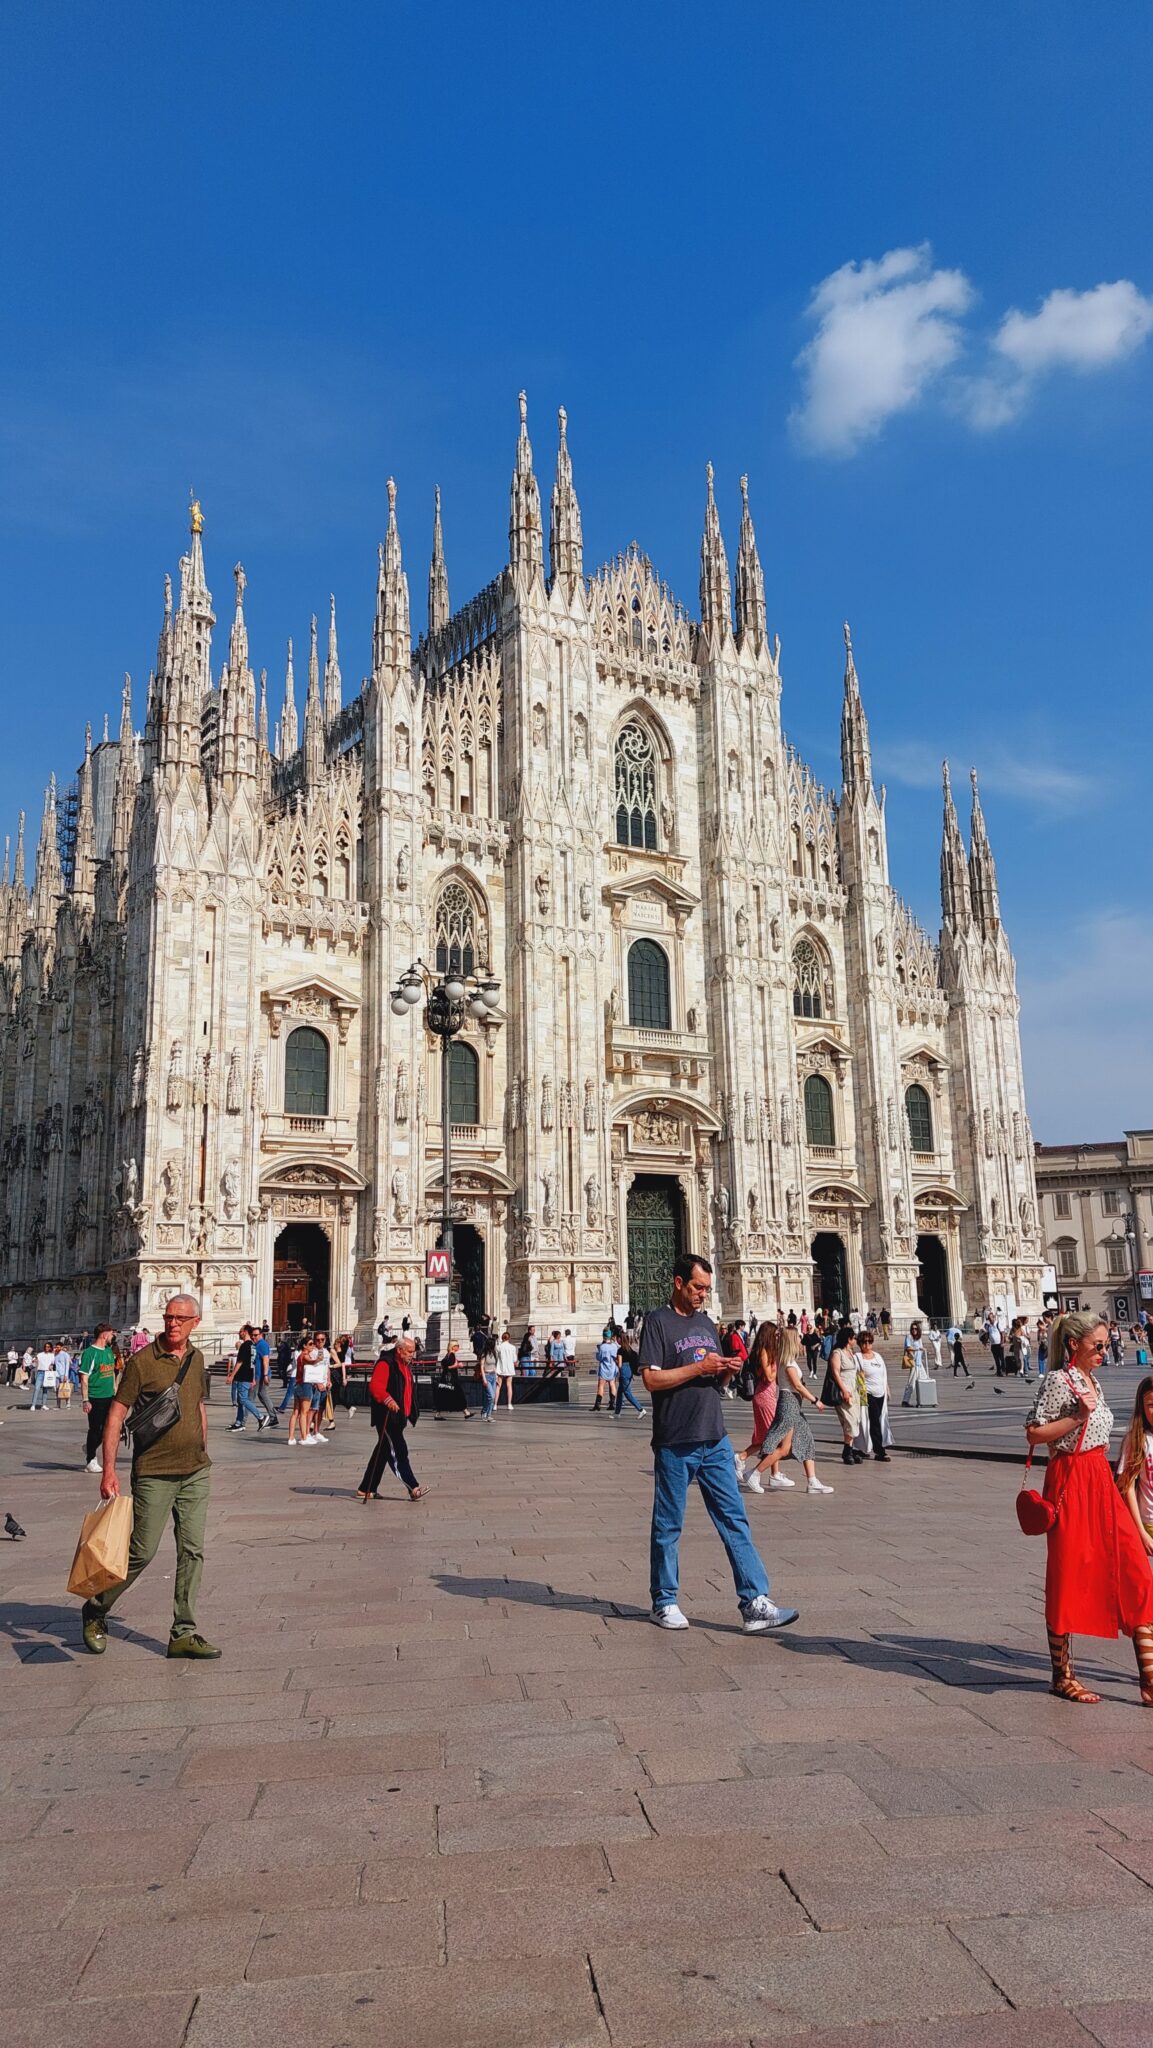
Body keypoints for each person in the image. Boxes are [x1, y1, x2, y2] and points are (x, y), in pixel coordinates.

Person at [639, 1253, 798, 1633]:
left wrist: (726, 1372)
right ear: (678, 1282)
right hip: (676, 1439)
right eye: (697, 1288)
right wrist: (699, 1367)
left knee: (734, 1519)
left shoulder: (707, 1324)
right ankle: (664, 1600)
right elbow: (650, 1381)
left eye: (707, 1289)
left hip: (715, 1438)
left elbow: (712, 1382)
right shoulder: (657, 1323)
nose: (702, 1295)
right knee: (668, 1524)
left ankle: (755, 1602)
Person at [81, 1293, 220, 1659]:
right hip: (154, 1473)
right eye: (168, 1316)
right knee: (142, 1551)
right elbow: (116, 1414)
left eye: (180, 1318)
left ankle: (183, 1632)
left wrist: (204, 1450)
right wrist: (109, 1469)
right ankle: (96, 1606)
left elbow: (197, 1405)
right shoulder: (143, 1362)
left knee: (193, 1551)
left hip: (194, 1473)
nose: (172, 1323)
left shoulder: (197, 1357)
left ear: (195, 1323)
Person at [1025, 1311, 1153, 1705]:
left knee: (1135, 1567)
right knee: (1068, 1572)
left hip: (1099, 1477)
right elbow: (1033, 1431)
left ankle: (1149, 1678)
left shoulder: (1091, 1379)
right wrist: (1076, 1416)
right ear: (1072, 1345)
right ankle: (1062, 1674)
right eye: (1097, 1345)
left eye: (1104, 1344)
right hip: (1070, 1480)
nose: (1104, 1350)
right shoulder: (1057, 1381)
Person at [747, 1327, 834, 1495]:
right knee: (783, 1447)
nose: (801, 1341)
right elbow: (798, 1385)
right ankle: (754, 1473)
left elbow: (782, 1383)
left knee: (806, 1439)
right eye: (798, 1338)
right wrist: (815, 1400)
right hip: (789, 1405)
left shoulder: (784, 1361)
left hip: (791, 1404)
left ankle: (812, 1481)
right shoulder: (788, 1363)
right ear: (792, 1341)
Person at [358, 1334, 423, 1500]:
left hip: (400, 1417)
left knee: (382, 1452)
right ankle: (413, 1486)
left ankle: (366, 1488)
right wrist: (388, 1400)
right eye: (409, 1351)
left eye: (413, 1352)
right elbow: (376, 1386)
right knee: (399, 1450)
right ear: (399, 1350)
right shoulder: (386, 1363)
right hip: (387, 1417)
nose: (412, 1355)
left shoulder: (405, 1364)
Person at [734, 1325, 781, 1492]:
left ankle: (741, 1458)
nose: (777, 1338)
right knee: (773, 1438)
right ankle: (753, 1473)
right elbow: (768, 1377)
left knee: (766, 1437)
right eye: (775, 1335)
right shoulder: (764, 1352)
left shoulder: (768, 1351)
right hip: (764, 1397)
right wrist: (780, 1369)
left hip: (768, 1396)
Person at [1116, 1374, 1153, 1561]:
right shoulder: (1137, 1439)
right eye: (1151, 1405)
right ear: (1142, 1407)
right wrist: (1140, 1531)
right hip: (1149, 1522)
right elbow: (1128, 1486)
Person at [79, 1322, 119, 1473]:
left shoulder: (109, 1351)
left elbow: (113, 1373)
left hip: (110, 1396)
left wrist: (116, 1391)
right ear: (104, 1334)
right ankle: (90, 1460)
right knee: (96, 1429)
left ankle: (92, 1446)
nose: (112, 1336)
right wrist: (85, 1399)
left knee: (110, 1429)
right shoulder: (90, 1353)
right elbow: (84, 1378)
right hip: (96, 1397)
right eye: (111, 1334)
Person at [825, 1322, 864, 1467]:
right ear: (848, 1339)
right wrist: (844, 1390)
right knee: (850, 1421)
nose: (855, 1341)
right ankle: (847, 1451)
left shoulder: (851, 1353)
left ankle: (850, 1449)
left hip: (854, 1390)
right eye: (853, 1338)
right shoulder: (837, 1353)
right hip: (844, 1391)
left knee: (855, 1420)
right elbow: (835, 1373)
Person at [856, 1329, 891, 1459]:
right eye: (864, 1342)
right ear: (859, 1344)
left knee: (879, 1420)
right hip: (867, 1394)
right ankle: (879, 1450)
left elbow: (883, 1373)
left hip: (880, 1392)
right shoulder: (858, 1357)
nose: (867, 1345)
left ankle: (865, 1448)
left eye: (869, 1342)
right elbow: (855, 1376)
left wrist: (886, 1388)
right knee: (873, 1421)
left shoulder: (878, 1356)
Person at [227, 1325, 267, 1432]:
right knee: (241, 1400)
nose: (239, 1333)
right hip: (248, 1376)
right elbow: (253, 1363)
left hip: (243, 1376)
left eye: (240, 1331)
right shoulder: (253, 1346)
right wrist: (253, 1378)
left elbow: (240, 1362)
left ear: (245, 1332)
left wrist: (232, 1375)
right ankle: (239, 1423)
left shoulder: (245, 1346)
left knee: (243, 1399)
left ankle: (261, 1417)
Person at [612, 1325, 647, 1419]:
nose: (616, 1340)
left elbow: (619, 1364)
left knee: (627, 1393)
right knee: (620, 1393)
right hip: (630, 1370)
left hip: (624, 1370)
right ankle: (617, 1413)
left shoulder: (620, 1350)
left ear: (619, 1339)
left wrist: (615, 1361)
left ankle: (641, 1409)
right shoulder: (629, 1348)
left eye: (616, 1338)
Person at [434, 1340, 473, 1419]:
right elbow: (449, 1367)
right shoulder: (452, 1355)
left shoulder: (447, 1355)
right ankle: (466, 1412)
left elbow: (445, 1365)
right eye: (457, 1345)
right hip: (452, 1380)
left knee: (444, 1395)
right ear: (453, 1347)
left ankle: (438, 1413)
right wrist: (458, 1365)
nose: (458, 1347)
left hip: (446, 1379)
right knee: (459, 1394)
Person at [901, 1321, 929, 1407]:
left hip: (919, 1363)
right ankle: (905, 1401)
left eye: (916, 1328)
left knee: (924, 1380)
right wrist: (917, 1350)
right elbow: (908, 1348)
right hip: (913, 1362)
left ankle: (924, 1400)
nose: (914, 1330)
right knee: (911, 1383)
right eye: (912, 1329)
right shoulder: (909, 1337)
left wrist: (922, 1350)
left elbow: (920, 1347)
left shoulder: (919, 1338)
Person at [593, 1330, 619, 1412]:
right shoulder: (614, 1346)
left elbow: (599, 1358)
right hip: (612, 1367)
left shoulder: (602, 1347)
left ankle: (598, 1404)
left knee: (601, 1386)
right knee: (612, 1384)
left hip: (604, 1367)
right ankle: (612, 1403)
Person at [493, 1329, 517, 1411]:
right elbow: (515, 1359)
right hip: (509, 1368)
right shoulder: (513, 1347)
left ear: (502, 1338)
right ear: (509, 1338)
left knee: (498, 1386)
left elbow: (496, 1358)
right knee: (509, 1386)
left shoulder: (498, 1347)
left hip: (501, 1368)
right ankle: (509, 1404)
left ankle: (495, 1404)